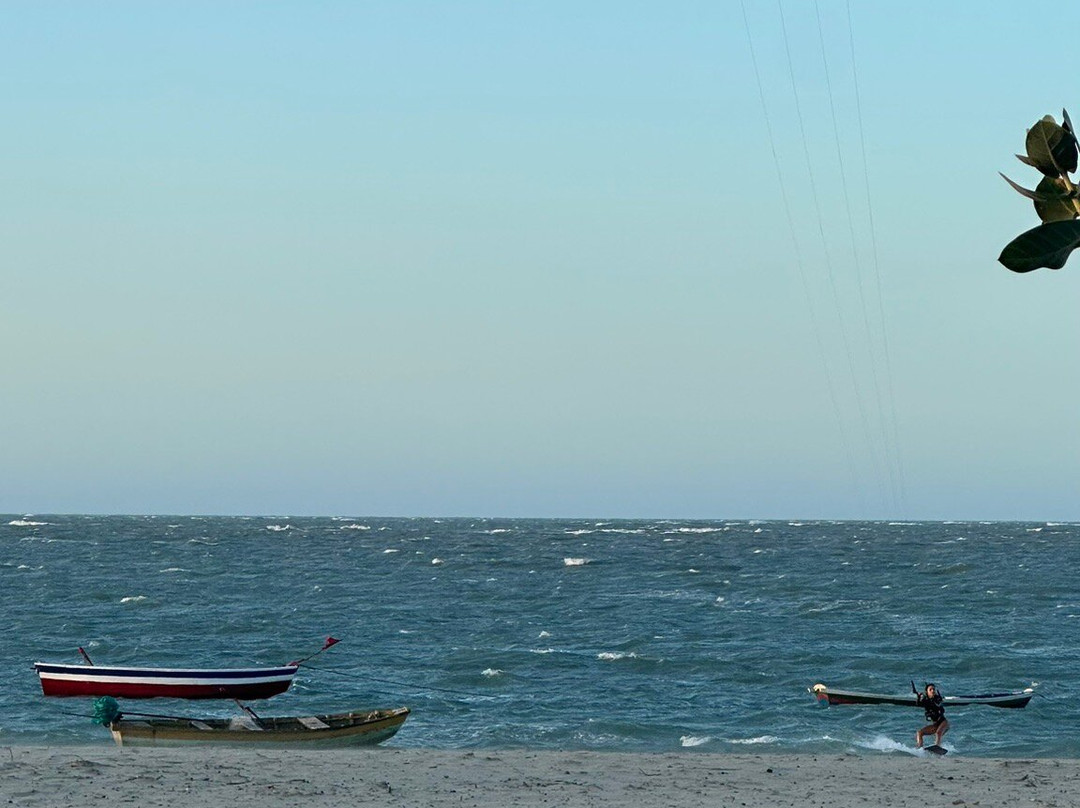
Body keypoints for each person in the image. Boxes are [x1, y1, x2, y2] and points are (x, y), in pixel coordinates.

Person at [912, 681, 949, 748]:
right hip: (935, 725)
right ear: (927, 692)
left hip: (943, 723)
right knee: (919, 733)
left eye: (933, 689)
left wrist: (937, 700)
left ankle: (937, 747)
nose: (932, 691)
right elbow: (919, 704)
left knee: (938, 733)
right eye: (930, 689)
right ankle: (919, 748)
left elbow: (939, 704)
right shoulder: (925, 701)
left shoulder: (937, 699)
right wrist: (918, 697)